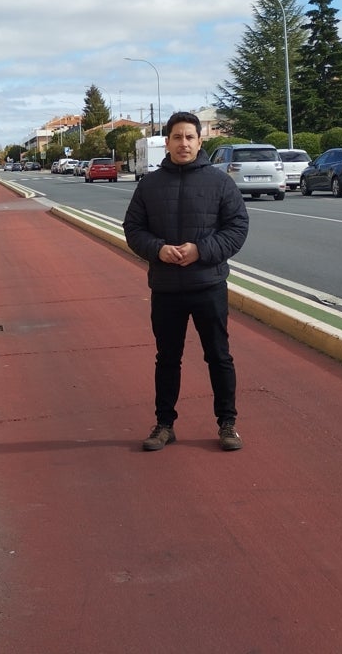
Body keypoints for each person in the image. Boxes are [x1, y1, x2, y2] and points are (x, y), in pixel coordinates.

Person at [123, 112, 249, 452]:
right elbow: (133, 229)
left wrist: (201, 250)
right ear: (167, 142)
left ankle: (227, 423)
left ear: (199, 141)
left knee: (219, 356)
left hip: (208, 285)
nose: (183, 143)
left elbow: (237, 228)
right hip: (165, 288)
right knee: (167, 358)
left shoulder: (220, 183)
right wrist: (159, 250)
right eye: (177, 137)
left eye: (189, 137)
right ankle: (164, 425)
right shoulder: (149, 184)